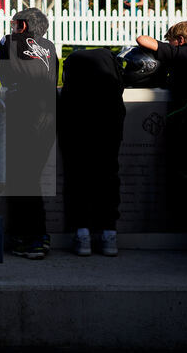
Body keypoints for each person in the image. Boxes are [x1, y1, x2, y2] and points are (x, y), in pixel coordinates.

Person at [137, 21, 187, 230]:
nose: (168, 44)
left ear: (180, 40)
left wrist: (168, 49)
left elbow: (142, 41)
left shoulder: (181, 52)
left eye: (170, 40)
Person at [0, 8, 58, 259]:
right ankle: (25, 236)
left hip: (24, 113)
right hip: (48, 114)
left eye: (16, 24)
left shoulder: (9, 41)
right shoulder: (50, 45)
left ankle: (35, 238)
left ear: (23, 26)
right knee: (27, 177)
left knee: (24, 179)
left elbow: (3, 75)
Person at [59, 47, 125, 257]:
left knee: (76, 176)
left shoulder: (73, 91)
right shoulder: (111, 93)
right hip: (107, 125)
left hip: (77, 124)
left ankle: (82, 233)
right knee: (108, 175)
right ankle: (108, 233)